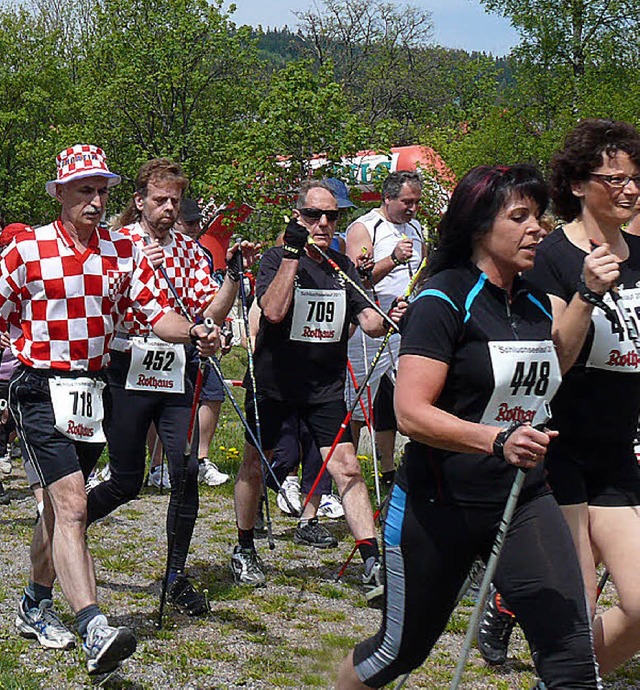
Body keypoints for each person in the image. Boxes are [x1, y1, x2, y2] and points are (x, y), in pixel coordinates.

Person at [336, 164, 602, 690]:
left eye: (540, 217)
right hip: (440, 504)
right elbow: (411, 411)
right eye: (520, 217)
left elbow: (555, 368)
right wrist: (496, 440)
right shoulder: (443, 298)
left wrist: (586, 295)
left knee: (571, 652)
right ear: (480, 225)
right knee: (399, 653)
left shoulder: (530, 302)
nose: (537, 229)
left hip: (523, 497)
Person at [0, 144, 218, 677]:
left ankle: (34, 601)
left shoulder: (121, 254)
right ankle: (94, 625)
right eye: (84, 190)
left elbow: (153, 314)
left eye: (102, 191)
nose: (96, 200)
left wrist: (193, 331)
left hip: (92, 391)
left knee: (58, 509)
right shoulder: (26, 250)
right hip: (38, 386)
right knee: (74, 505)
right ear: (60, 194)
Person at [478, 119, 640, 676]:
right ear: (578, 183)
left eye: (635, 178)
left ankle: (575, 674)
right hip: (557, 446)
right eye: (614, 178)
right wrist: (588, 291)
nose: (630, 188)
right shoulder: (551, 255)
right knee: (577, 611)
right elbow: (555, 359)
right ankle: (568, 671)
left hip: (617, 450)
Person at [86, 160, 251, 616]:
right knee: (126, 480)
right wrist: (140, 267)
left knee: (185, 471)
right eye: (160, 200)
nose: (168, 208)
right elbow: (129, 310)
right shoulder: (117, 245)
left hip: (177, 370)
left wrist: (233, 277)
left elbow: (208, 311)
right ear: (139, 201)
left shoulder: (190, 251)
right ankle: (71, 524)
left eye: (175, 201)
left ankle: (176, 575)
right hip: (129, 362)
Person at [231, 180, 406, 594]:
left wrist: (397, 313)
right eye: (314, 215)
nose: (324, 223)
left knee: (346, 466)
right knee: (257, 463)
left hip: (324, 387)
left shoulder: (341, 267)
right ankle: (243, 545)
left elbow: (370, 323)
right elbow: (272, 312)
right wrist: (293, 254)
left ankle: (371, 560)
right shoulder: (275, 259)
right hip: (275, 383)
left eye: (332, 216)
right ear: (298, 217)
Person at [344, 171, 426, 487]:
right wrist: (391, 258)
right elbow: (355, 279)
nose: (413, 208)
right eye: (407, 202)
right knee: (356, 405)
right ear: (388, 198)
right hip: (370, 323)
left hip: (406, 324)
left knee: (402, 399)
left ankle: (390, 472)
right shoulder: (365, 228)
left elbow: (419, 272)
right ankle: (345, 472)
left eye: (417, 202)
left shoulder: (416, 228)